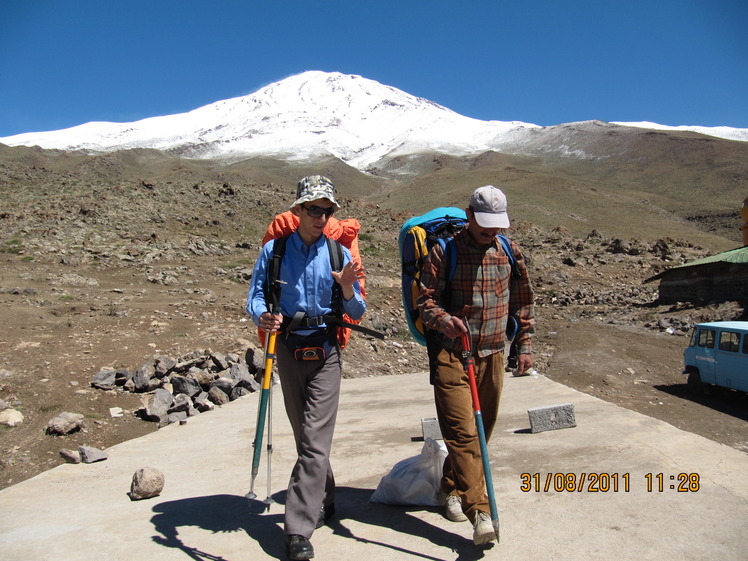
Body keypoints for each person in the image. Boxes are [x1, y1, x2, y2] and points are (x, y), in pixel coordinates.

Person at [247, 175, 366, 561]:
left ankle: (297, 530)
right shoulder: (275, 252)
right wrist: (262, 315)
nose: (321, 216)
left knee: (314, 441)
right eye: (314, 209)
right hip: (288, 350)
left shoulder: (338, 255)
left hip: (326, 350)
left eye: (327, 210)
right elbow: (257, 296)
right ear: (297, 210)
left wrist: (348, 289)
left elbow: (358, 311)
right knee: (305, 437)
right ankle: (326, 495)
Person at [417, 185, 535, 545]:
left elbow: (523, 302)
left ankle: (450, 487)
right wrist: (443, 320)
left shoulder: (508, 251)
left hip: (493, 354)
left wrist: (525, 344)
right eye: (485, 225)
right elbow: (425, 302)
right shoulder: (444, 252)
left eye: (497, 225)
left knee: (480, 434)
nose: (491, 231)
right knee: (463, 433)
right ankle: (481, 512)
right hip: (453, 354)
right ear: (469, 216)